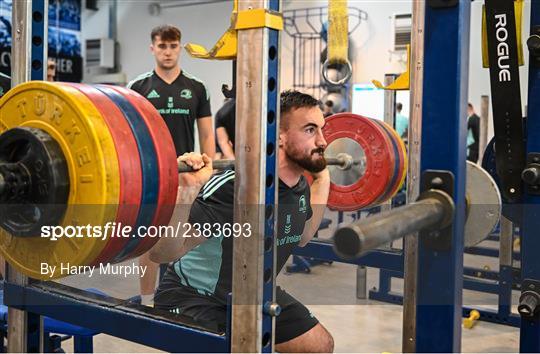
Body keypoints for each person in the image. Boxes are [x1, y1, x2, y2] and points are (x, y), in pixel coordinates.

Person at [149, 90, 334, 352]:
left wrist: (323, 179)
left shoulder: (299, 185)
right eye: (310, 130)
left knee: (320, 345)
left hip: (253, 292)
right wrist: (187, 191)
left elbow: (303, 236)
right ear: (279, 137)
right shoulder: (234, 188)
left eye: (322, 129)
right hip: (196, 297)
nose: (323, 141)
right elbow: (162, 253)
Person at [127, 24, 216, 306]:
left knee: (184, 239)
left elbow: (206, 135)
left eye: (173, 46)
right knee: (150, 241)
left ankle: (182, 296)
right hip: (154, 176)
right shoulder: (138, 87)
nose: (167, 52)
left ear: (180, 48)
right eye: (162, 46)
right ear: (152, 48)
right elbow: (132, 134)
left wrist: (207, 174)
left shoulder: (197, 88)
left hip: (188, 176)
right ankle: (147, 300)